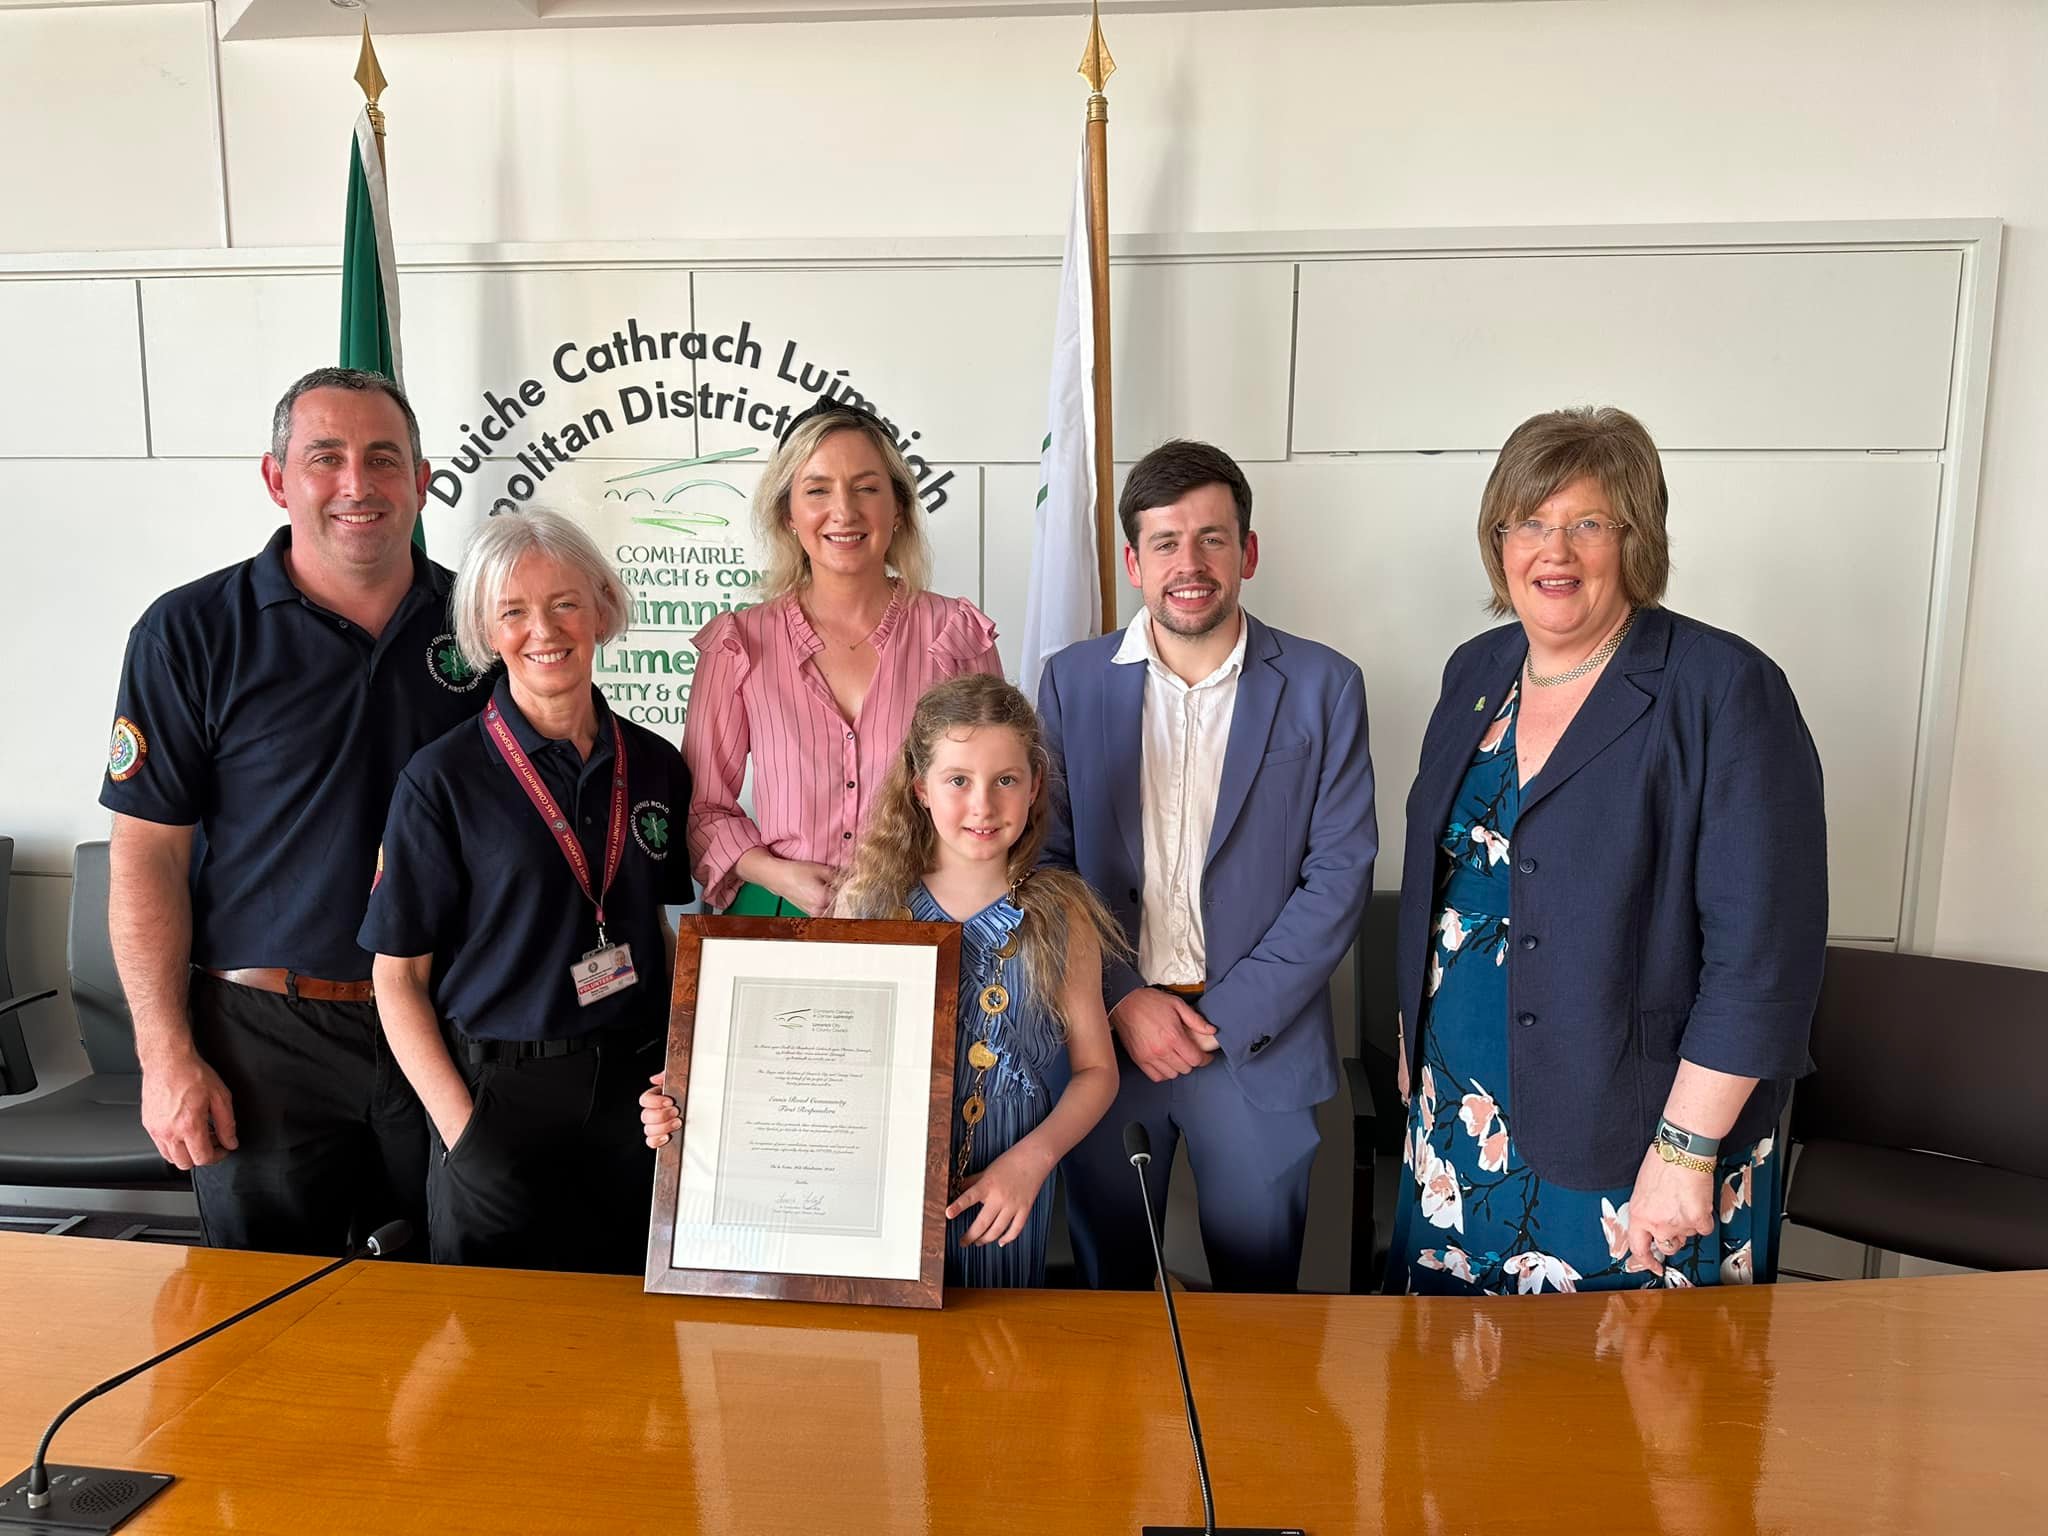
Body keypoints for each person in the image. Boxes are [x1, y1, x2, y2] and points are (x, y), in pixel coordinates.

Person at [1386, 406, 1826, 1295]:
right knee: (1457, 1405)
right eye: (1531, 523)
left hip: (1639, 1131)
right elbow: (1445, 877)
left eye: (1588, 523)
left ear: (1636, 537)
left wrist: (1686, 1148)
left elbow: (1762, 956)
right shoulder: (1475, 670)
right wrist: (1412, 1037)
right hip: (1460, 1110)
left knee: (1631, 1412)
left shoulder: (1725, 689)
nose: (1555, 550)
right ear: (1498, 537)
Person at [101, 366, 486, 1256]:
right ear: (278, 480)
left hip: (446, 1028)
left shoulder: (481, 624)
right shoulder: (190, 631)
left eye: (384, 459)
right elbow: (147, 856)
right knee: (259, 1337)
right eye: (327, 458)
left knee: (459, 1317)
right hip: (262, 1044)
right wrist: (164, 1056)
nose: (358, 484)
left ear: (424, 481)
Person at [643, 674, 1121, 1287]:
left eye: (1006, 780)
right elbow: (801, 1060)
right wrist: (695, 1094)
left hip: (1004, 1195)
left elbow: (1097, 1071)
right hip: (870, 1200)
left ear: (1034, 788)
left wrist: (1034, 1159)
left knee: (996, 1362)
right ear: (920, 788)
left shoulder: (1062, 913)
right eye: (958, 780)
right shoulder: (866, 906)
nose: (983, 804)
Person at [1038, 440, 1377, 1293]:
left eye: (1212, 539)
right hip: (1106, 1051)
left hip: (1258, 1049)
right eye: (1164, 542)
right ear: (1132, 561)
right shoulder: (1070, 682)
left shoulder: (1323, 684)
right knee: (1110, 1302)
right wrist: (1123, 999)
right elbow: (1049, 862)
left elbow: (1338, 874)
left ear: (1247, 552)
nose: (1189, 565)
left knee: (1261, 1316)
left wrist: (1220, 1016)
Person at [359, 510, 693, 1274]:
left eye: (565, 603)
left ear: (603, 609)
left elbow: (662, 930)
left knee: (628, 1360)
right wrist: (463, 1135)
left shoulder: (656, 765)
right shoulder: (440, 781)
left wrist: (679, 1065)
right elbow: (397, 977)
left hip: (633, 1107)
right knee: (492, 1366)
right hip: (497, 1102)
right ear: (485, 629)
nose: (544, 629)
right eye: (513, 611)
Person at [684, 397, 1001, 917]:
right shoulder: (738, 644)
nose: (845, 511)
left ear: (898, 508)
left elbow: (991, 799)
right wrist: (778, 874)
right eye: (818, 490)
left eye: (866, 488)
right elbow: (703, 810)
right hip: (780, 914)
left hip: (928, 920)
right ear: (788, 512)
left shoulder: (956, 636)